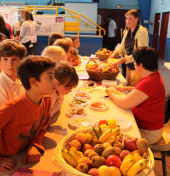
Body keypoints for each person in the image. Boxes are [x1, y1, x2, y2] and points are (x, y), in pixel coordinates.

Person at [0, 55, 57, 171]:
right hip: (8, 161)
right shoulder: (11, 108)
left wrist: (34, 145)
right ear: (34, 82)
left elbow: (43, 126)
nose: (55, 81)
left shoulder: (46, 101)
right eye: (50, 77)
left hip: (22, 156)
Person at [106, 47, 165, 144]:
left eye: (134, 62)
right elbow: (146, 92)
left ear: (141, 65)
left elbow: (125, 103)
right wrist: (128, 88)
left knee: (113, 135)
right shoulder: (154, 76)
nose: (133, 64)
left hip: (149, 132)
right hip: (151, 127)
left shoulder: (148, 82)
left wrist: (111, 94)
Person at [109, 9, 149, 86]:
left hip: (139, 66)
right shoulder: (127, 32)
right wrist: (115, 54)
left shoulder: (142, 32)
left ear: (137, 19)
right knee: (130, 85)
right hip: (129, 65)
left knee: (136, 88)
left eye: (130, 18)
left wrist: (125, 59)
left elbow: (141, 52)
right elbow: (122, 46)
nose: (128, 21)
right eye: (127, 18)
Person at [0, 40, 27, 106]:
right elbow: (5, 113)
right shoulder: (1, 83)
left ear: (21, 61)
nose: (10, 64)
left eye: (14, 59)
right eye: (5, 59)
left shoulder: (24, 78)